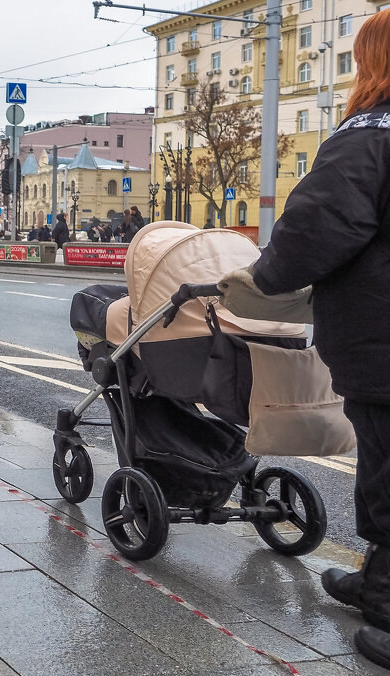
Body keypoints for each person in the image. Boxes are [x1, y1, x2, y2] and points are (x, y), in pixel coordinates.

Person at [245, 10, 390, 667]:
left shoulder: (369, 134)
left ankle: (387, 598)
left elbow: (320, 225)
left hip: (382, 337)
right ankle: (379, 578)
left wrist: (263, 278)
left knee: (386, 462)